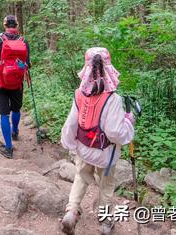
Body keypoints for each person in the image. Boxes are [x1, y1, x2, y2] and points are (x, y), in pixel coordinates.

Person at [59, 47, 135, 235]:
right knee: (106, 187)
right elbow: (115, 132)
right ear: (109, 67)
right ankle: (106, 222)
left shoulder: (80, 94)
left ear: (87, 68)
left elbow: (71, 123)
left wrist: (69, 143)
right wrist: (129, 122)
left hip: (83, 149)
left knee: (80, 177)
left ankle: (72, 210)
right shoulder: (112, 99)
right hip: (105, 155)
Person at [0, 15, 30, 159]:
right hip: (17, 82)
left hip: (1, 81)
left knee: (4, 114)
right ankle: (15, 131)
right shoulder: (24, 41)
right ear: (17, 25)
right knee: (16, 109)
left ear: (4, 25)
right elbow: (27, 64)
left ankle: (9, 148)